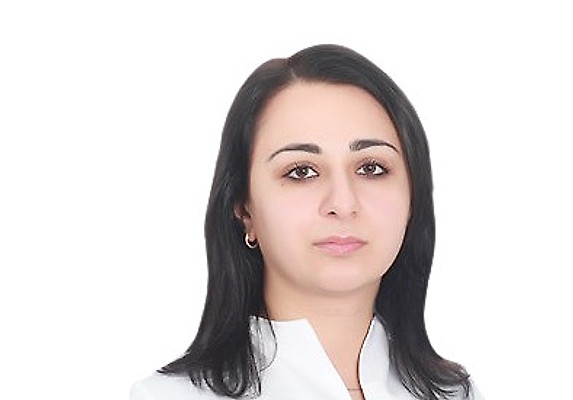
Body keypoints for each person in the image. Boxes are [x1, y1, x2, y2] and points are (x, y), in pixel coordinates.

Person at [131, 44, 483, 400]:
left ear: (413, 198)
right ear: (244, 209)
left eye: (371, 168)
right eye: (301, 171)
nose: (342, 204)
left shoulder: (456, 394)